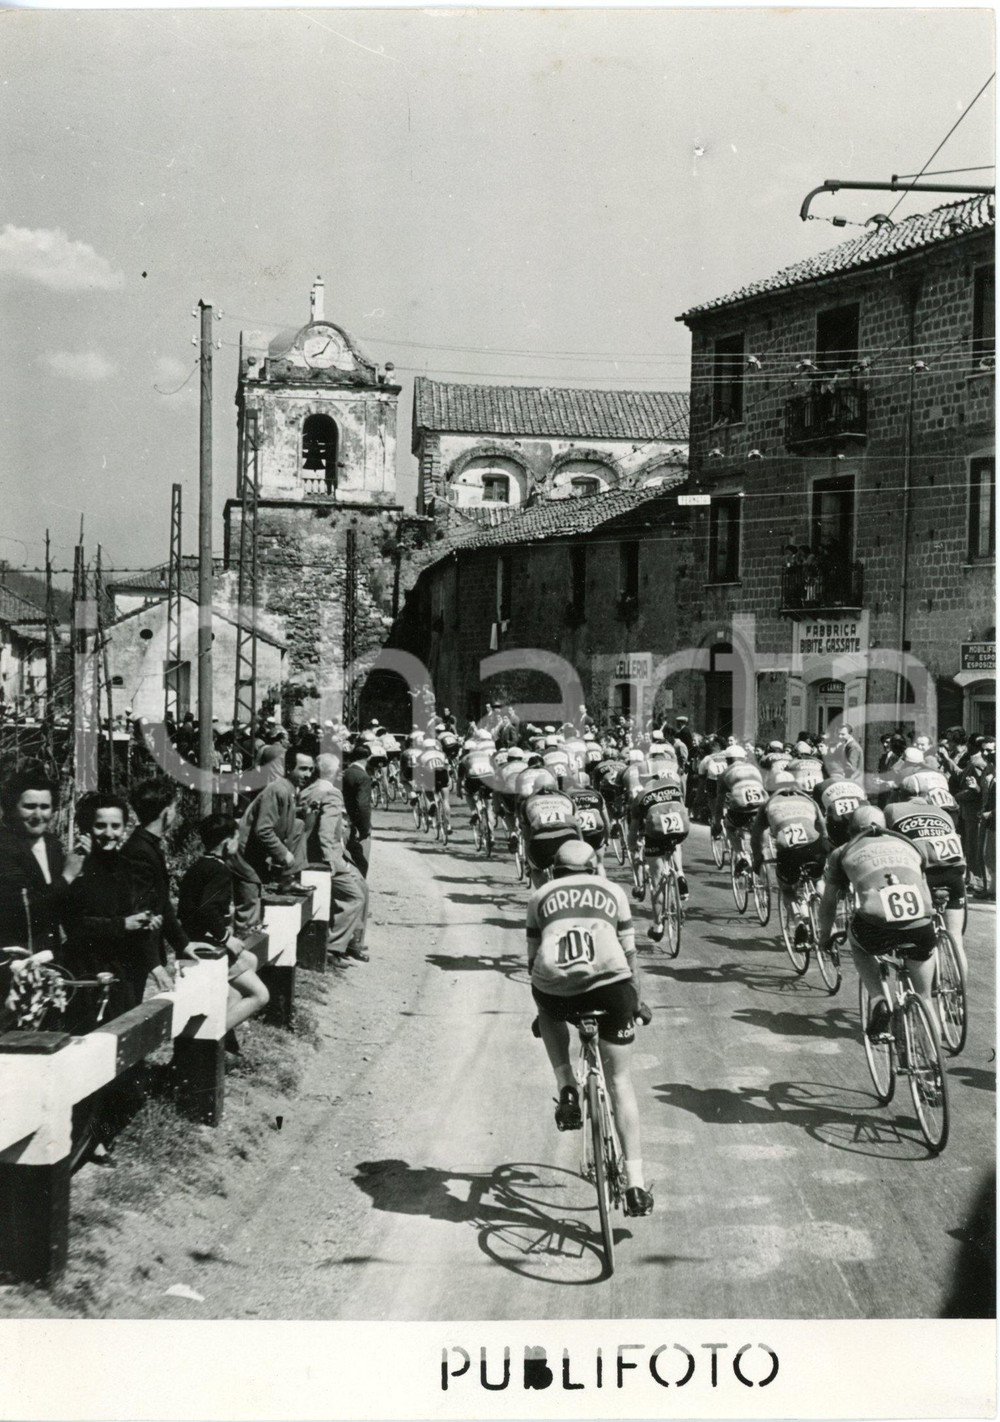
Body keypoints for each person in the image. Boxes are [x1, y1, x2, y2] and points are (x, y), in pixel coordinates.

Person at [526, 839, 653, 1218]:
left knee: (546, 1010)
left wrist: (544, 1007)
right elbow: (630, 955)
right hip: (611, 988)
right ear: (594, 865)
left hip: (556, 989)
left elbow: (533, 959)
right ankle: (634, 1186)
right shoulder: (612, 891)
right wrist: (637, 1002)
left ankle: (566, 1085)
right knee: (620, 1083)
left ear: (555, 870)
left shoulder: (540, 896)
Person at [816, 805, 938, 1038]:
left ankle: (879, 998)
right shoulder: (909, 845)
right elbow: (925, 892)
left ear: (850, 830)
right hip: (920, 925)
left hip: (877, 927)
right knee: (925, 997)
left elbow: (829, 901)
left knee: (857, 944)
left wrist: (824, 935)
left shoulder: (842, 851)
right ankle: (935, 1068)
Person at [64, 792, 158, 1018]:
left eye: (116, 826)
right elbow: (74, 926)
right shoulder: (76, 866)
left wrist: (145, 920)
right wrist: (122, 925)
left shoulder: (125, 866)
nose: (109, 834)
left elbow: (128, 911)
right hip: (86, 971)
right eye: (100, 826)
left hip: (120, 969)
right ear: (87, 828)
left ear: (125, 828)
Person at [178, 813, 271, 1035]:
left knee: (250, 959)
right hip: (207, 946)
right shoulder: (219, 870)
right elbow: (207, 909)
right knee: (260, 995)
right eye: (236, 840)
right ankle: (207, 1037)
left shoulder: (201, 865)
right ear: (227, 842)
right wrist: (226, 938)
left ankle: (226, 1023)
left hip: (193, 938)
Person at [884, 791, 968, 980]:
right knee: (955, 936)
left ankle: (918, 986)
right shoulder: (942, 812)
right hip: (953, 872)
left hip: (923, 874)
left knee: (912, 935)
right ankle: (960, 998)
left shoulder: (892, 809)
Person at [0, 768, 83, 957]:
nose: (38, 815)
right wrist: (67, 876)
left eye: (45, 807)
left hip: (50, 953)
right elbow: (23, 909)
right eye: (29, 806)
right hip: (15, 958)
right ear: (12, 807)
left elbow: (66, 906)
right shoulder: (4, 848)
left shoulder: (52, 844)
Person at [298, 752, 369, 962]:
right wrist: (332, 862)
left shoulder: (308, 790)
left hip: (317, 853)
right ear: (336, 773)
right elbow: (326, 832)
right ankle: (334, 946)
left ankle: (353, 941)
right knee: (354, 896)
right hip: (326, 857)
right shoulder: (331, 793)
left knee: (362, 885)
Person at [120, 777, 188, 992]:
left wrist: (183, 944)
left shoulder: (147, 846)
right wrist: (155, 966)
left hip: (138, 956)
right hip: (132, 956)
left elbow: (161, 902)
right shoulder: (140, 851)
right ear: (167, 812)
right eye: (175, 808)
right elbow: (141, 910)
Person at [752, 772, 829, 945]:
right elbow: (823, 831)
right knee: (817, 880)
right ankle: (828, 910)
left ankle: (798, 920)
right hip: (813, 846)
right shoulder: (809, 801)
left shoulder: (768, 804)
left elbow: (756, 836)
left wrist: (757, 858)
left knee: (786, 889)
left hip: (788, 850)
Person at [630, 762, 690, 939]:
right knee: (674, 840)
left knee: (656, 881)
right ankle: (679, 873)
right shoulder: (674, 786)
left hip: (655, 832)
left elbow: (633, 828)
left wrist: (633, 846)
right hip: (681, 827)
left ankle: (657, 927)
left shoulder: (641, 794)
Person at [519, 773, 581, 889]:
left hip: (542, 842)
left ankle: (545, 895)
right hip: (568, 838)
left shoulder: (527, 802)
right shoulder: (567, 799)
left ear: (535, 787)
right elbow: (576, 824)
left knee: (535, 869)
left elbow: (527, 836)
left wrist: (529, 861)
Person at [342, 742, 373, 877]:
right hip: (355, 824)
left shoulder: (345, 773)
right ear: (368, 758)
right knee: (362, 862)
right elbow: (363, 805)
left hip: (342, 820)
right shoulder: (363, 777)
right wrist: (365, 828)